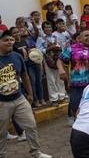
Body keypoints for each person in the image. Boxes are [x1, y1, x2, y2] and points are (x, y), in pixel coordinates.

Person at [0, 29, 52, 158]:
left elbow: (24, 75)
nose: (10, 42)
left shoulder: (17, 56)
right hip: (2, 103)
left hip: (19, 98)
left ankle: (36, 152)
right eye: (5, 40)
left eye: (11, 39)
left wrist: (30, 94)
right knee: (1, 132)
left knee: (31, 125)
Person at [57, 28, 89, 126]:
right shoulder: (72, 49)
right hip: (76, 85)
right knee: (75, 108)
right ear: (80, 38)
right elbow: (60, 60)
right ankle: (80, 124)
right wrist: (61, 69)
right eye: (86, 35)